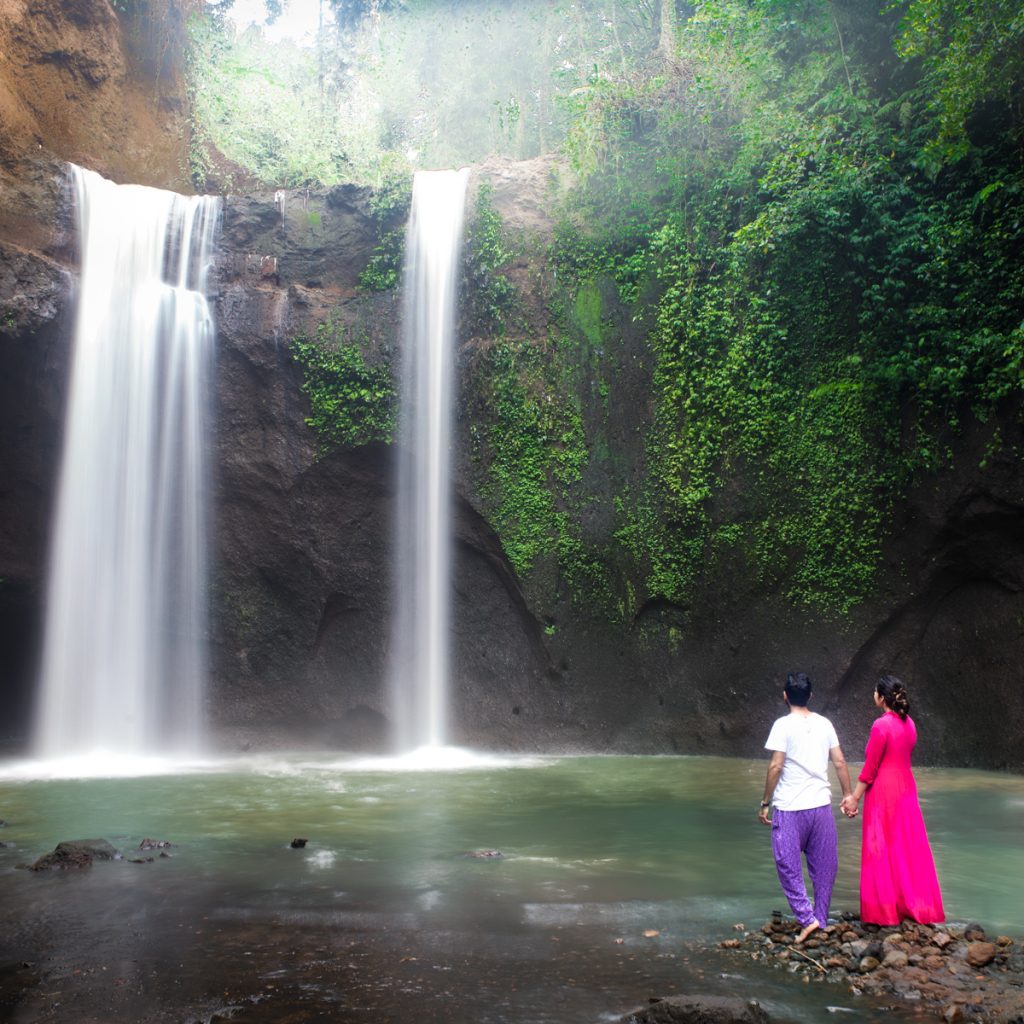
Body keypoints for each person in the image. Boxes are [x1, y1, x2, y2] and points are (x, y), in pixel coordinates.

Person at [840, 675, 944, 925]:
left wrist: (854, 797)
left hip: (884, 792)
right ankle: (915, 905)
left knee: (881, 846)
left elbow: (870, 767)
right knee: (907, 845)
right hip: (906, 789)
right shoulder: (910, 724)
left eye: (874, 691)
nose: (872, 694)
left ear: (881, 697)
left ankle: (883, 911)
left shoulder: (881, 726)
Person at [759, 672, 854, 943]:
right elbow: (839, 761)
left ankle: (807, 919)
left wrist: (765, 802)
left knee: (787, 863)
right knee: (825, 865)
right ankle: (820, 918)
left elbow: (776, 765)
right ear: (811, 696)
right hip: (821, 806)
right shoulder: (825, 724)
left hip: (790, 808)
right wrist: (847, 794)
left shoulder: (782, 725)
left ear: (785, 695)